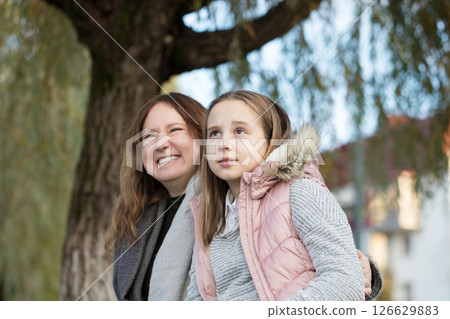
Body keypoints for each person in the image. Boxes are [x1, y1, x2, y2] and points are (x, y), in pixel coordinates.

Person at [108, 92, 382, 301]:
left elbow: (341, 276)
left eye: (174, 130)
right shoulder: (198, 217)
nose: (160, 143)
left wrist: (361, 269)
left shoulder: (295, 192)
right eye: (148, 135)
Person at [186, 90, 370, 301]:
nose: (223, 143)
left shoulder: (300, 192)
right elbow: (196, 300)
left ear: (269, 140)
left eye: (239, 131)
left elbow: (345, 282)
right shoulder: (209, 219)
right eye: (214, 133)